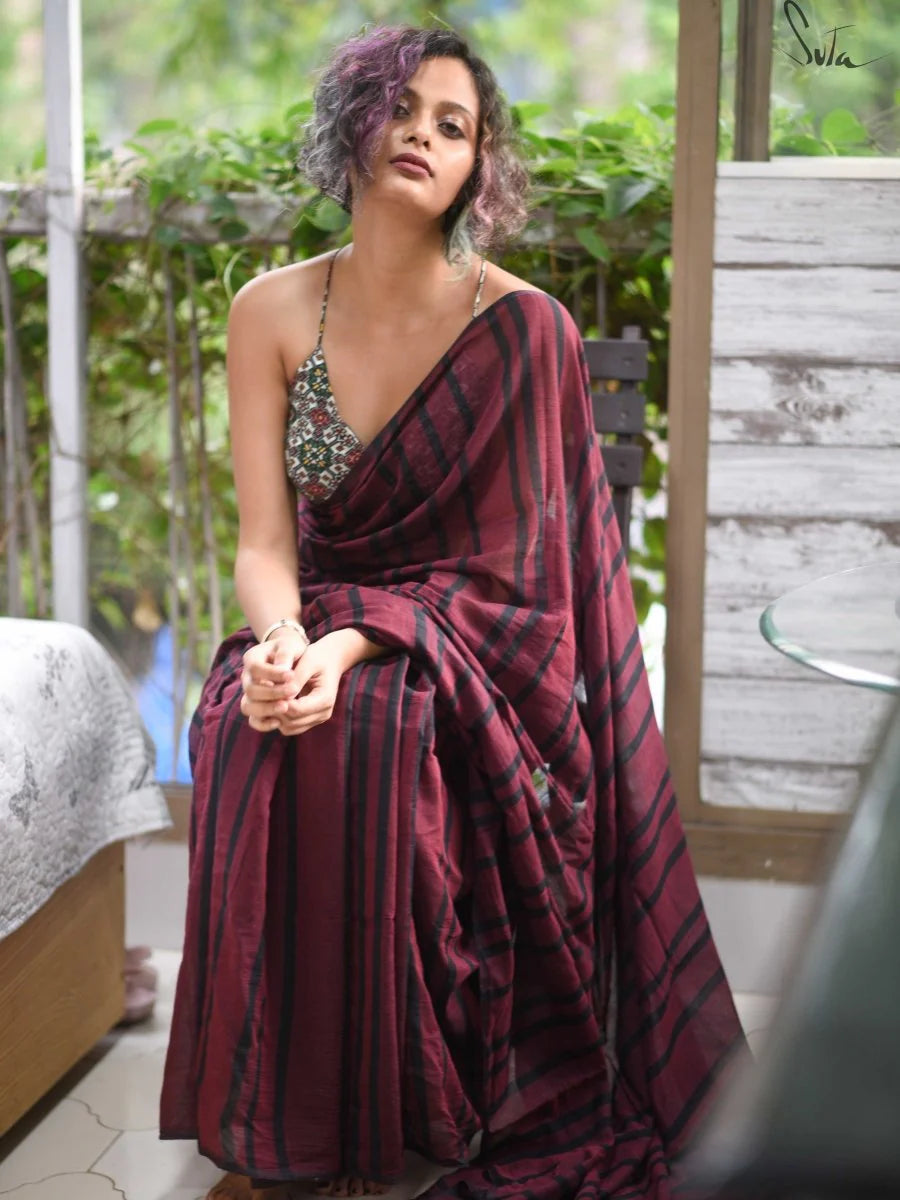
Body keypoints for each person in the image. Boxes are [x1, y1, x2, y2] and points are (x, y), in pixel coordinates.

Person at [159, 24, 746, 1200]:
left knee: (371, 731)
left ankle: (404, 1104)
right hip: (316, 617)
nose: (423, 135)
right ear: (354, 121)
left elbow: (517, 583)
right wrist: (279, 645)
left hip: (474, 652)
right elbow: (267, 545)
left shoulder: (522, 328)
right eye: (404, 108)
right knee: (244, 717)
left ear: (480, 166)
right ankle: (293, 1112)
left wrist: (356, 642)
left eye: (455, 124)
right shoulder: (269, 312)